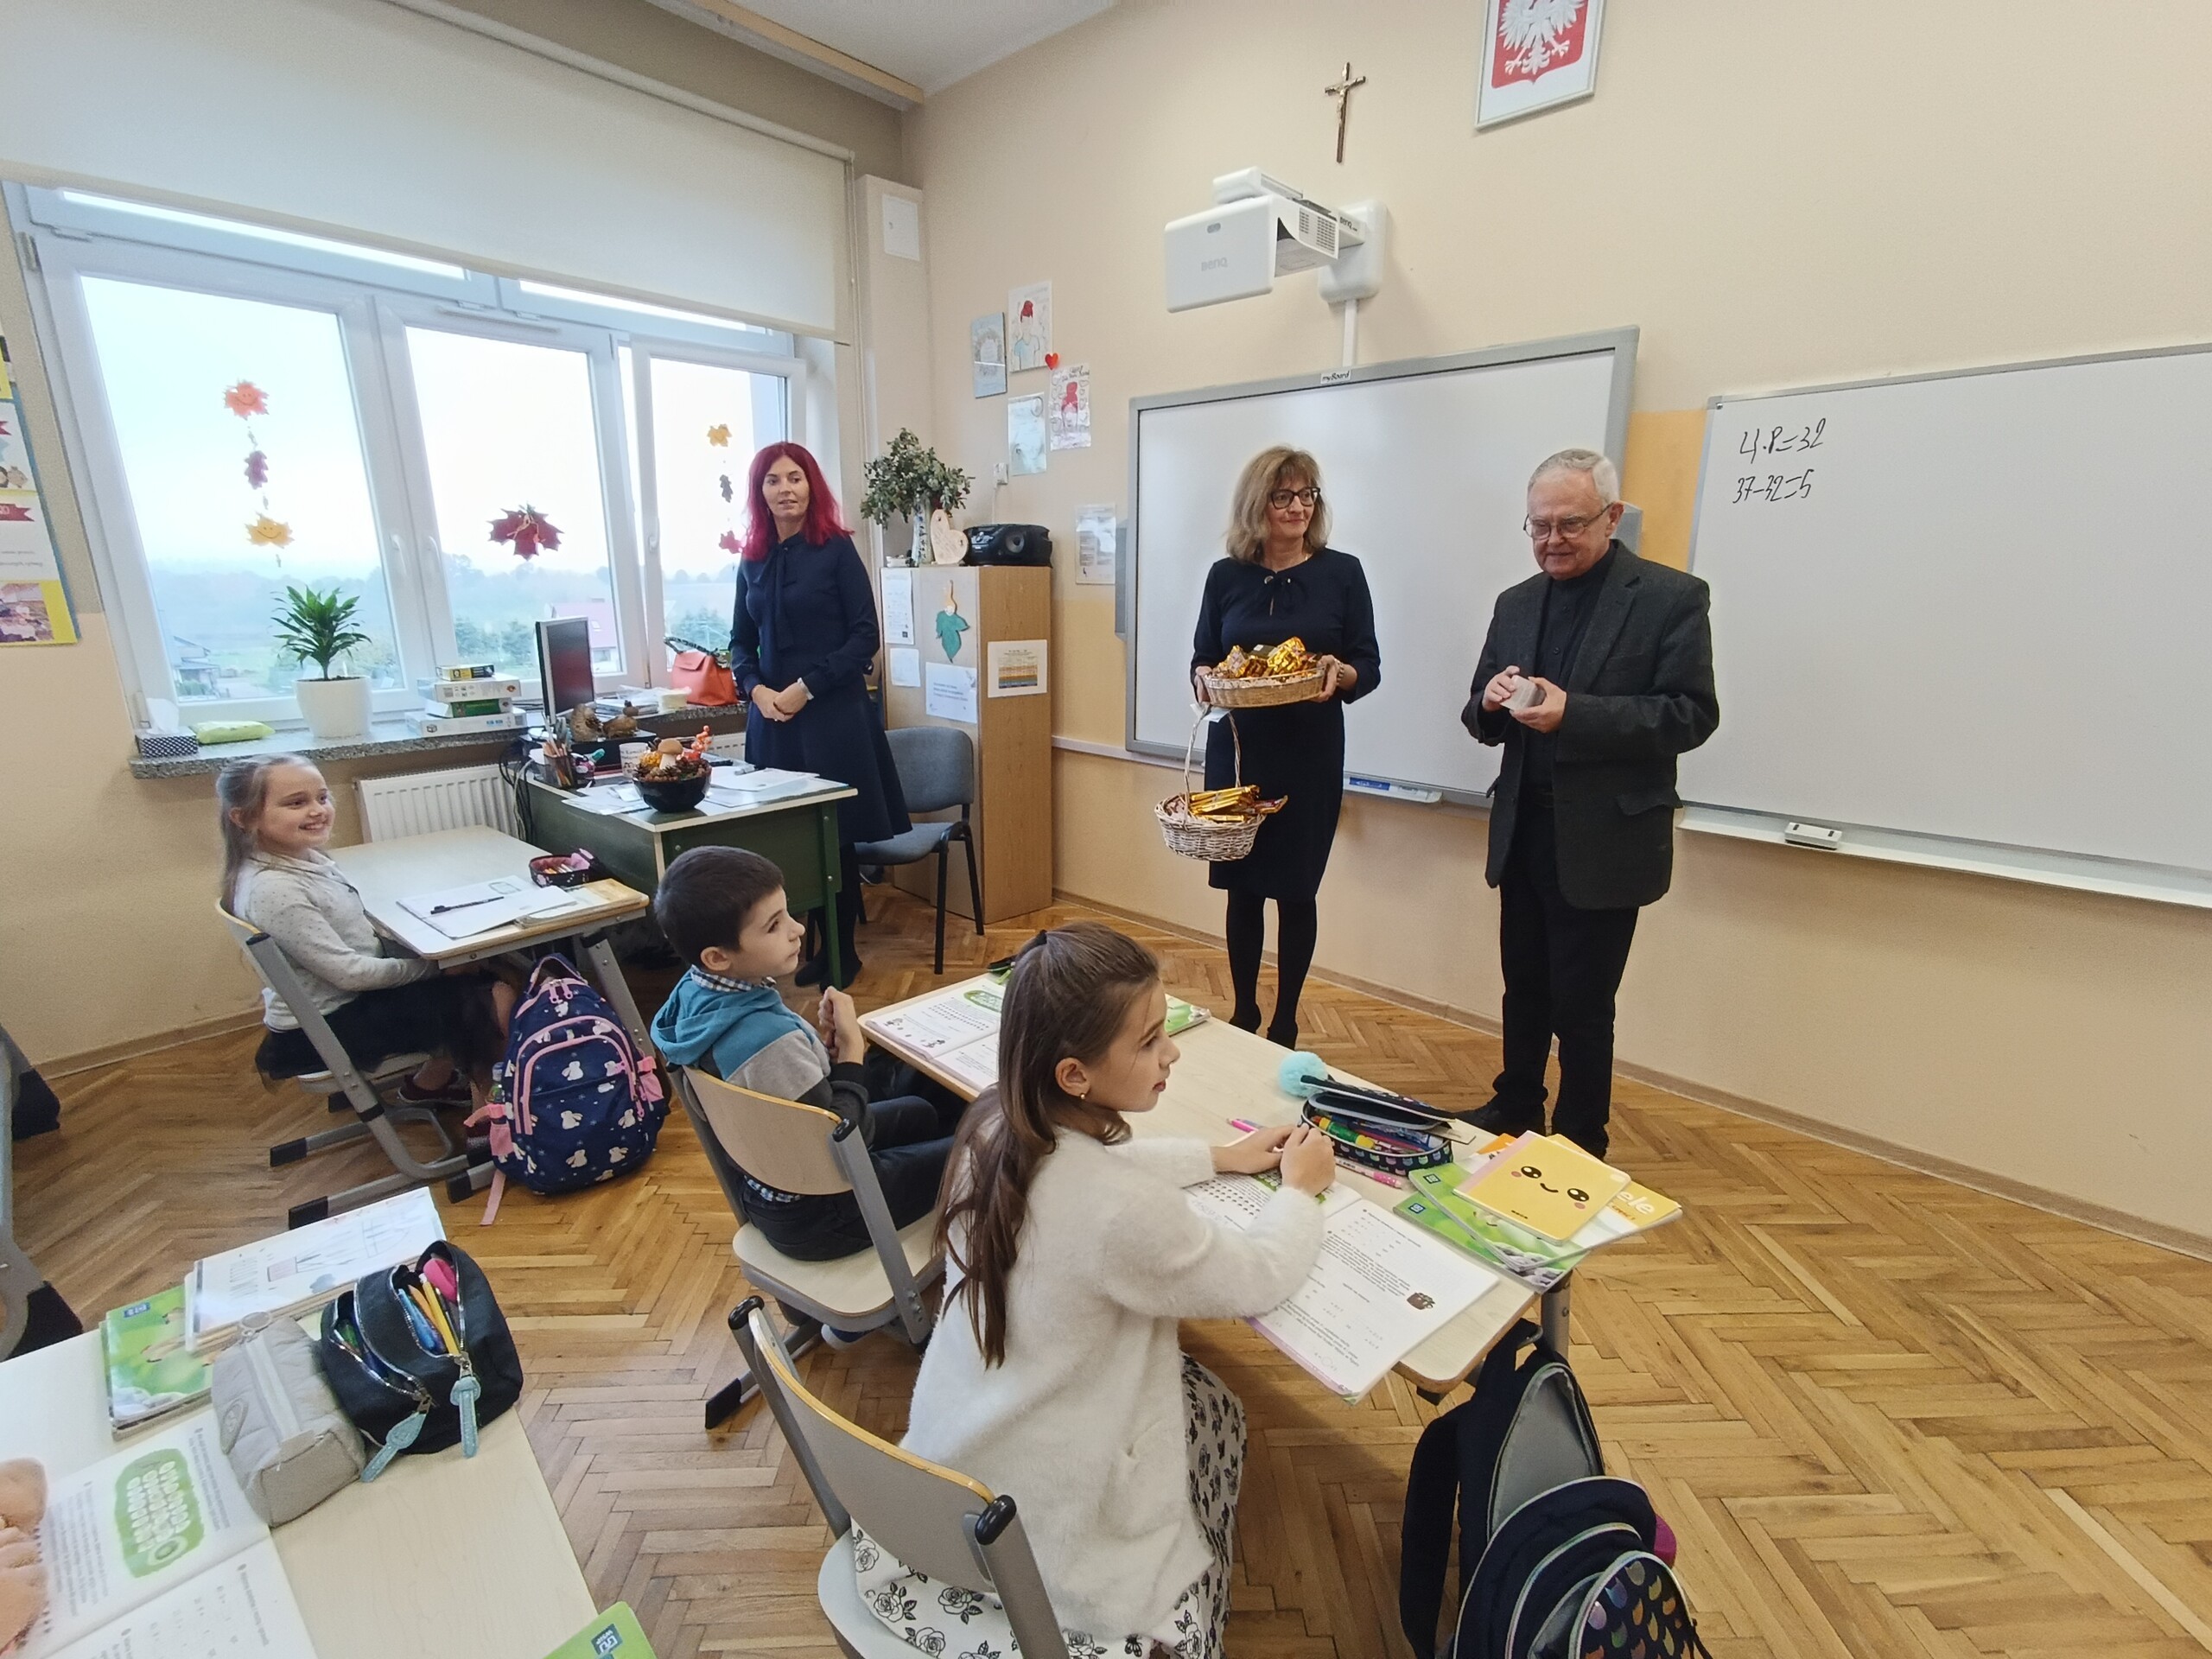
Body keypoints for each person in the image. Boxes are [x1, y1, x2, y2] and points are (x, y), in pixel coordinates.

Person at [880, 922, 1337, 1659]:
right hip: (1049, 1516)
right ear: (1075, 1076)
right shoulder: (1116, 1210)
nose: (1172, 1053)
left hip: (965, 1442)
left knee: (1203, 1401)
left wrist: (1217, 1157)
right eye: (1150, 1041)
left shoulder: (995, 1120)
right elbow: (1258, 1274)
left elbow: (1098, 1177)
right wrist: (1300, 1193)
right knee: (1212, 1415)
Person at [1462, 449, 1719, 1158]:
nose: (1552, 540)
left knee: (1582, 1007)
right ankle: (1516, 1107)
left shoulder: (1669, 597)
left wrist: (1575, 714)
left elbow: (1690, 715)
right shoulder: (1516, 603)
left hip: (1606, 839)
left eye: (1569, 524)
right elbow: (1479, 712)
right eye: (1538, 526)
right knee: (1523, 988)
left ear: (1612, 517)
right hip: (1524, 829)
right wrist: (1489, 703)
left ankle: (1579, 1142)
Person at [648, 845, 965, 1265]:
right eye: (774, 925)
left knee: (921, 1112)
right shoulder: (766, 1041)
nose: (797, 929)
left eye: (788, 914)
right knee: (981, 1152)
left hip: (774, 1186)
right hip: (824, 1213)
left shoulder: (694, 995)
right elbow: (838, 1143)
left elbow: (789, 1095)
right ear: (718, 957)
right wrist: (851, 1055)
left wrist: (818, 1054)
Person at [1190, 447, 1381, 1049]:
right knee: (1242, 888)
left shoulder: (1342, 572)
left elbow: (1368, 664)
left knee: (1297, 891)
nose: (1299, 507)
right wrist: (1202, 677)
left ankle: (1286, 1021)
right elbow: (1203, 657)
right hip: (1238, 753)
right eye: (1284, 496)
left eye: (1307, 495)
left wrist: (1340, 674)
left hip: (1309, 755)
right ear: (1258, 503)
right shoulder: (1225, 576)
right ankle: (1245, 1012)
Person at [219, 755, 512, 1103]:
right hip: (327, 1024)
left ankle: (429, 1085)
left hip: (334, 1004)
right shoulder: (275, 889)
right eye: (297, 803)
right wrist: (434, 968)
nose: (317, 810)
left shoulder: (301, 860)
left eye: (322, 797)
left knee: (476, 975)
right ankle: (493, 1113)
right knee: (494, 996)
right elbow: (351, 974)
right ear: (244, 818)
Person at [730, 442, 910, 988]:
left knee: (835, 837)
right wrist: (757, 690)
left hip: (832, 716)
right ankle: (804, 945)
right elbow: (739, 641)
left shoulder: (835, 549)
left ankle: (842, 951)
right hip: (774, 722)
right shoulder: (752, 557)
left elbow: (865, 636)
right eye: (773, 480)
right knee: (790, 838)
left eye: (795, 478)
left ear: (812, 486)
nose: (785, 489)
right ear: (760, 492)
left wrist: (804, 689)